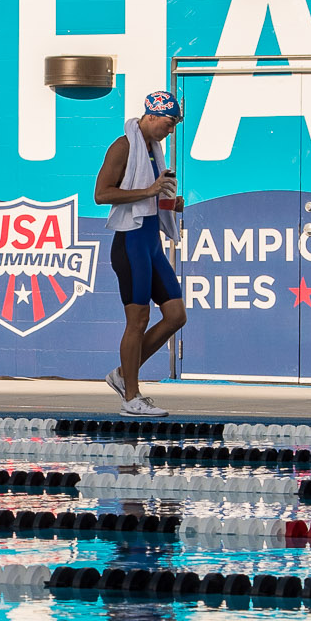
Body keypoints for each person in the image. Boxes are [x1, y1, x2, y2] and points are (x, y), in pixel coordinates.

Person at [92, 89, 188, 418]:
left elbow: (148, 200)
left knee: (176, 315)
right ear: (150, 116)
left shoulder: (152, 150)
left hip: (150, 242)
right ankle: (131, 397)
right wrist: (148, 191)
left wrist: (168, 203)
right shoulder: (124, 146)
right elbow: (101, 194)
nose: (171, 130)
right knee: (138, 321)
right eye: (169, 122)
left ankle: (122, 374)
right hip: (130, 242)